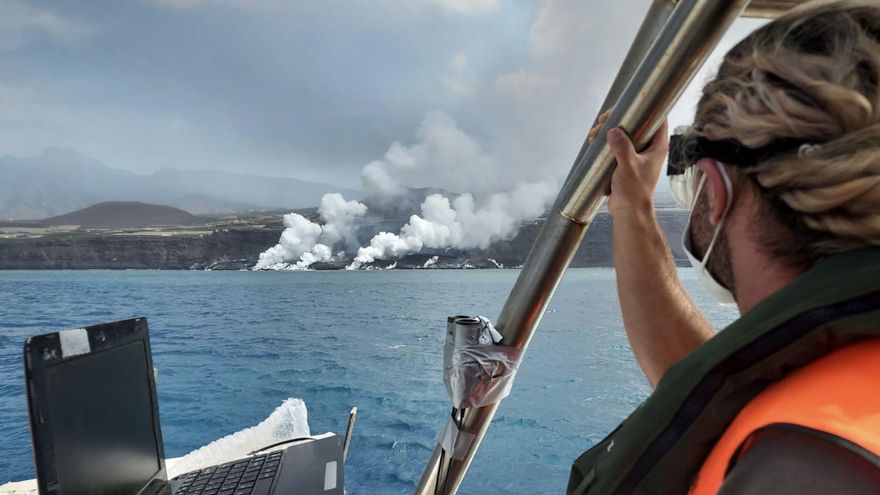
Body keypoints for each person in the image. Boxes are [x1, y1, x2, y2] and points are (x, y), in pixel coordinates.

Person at [568, 1, 880, 494]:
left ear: (716, 190)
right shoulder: (846, 371)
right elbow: (721, 389)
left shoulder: (802, 463)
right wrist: (631, 208)